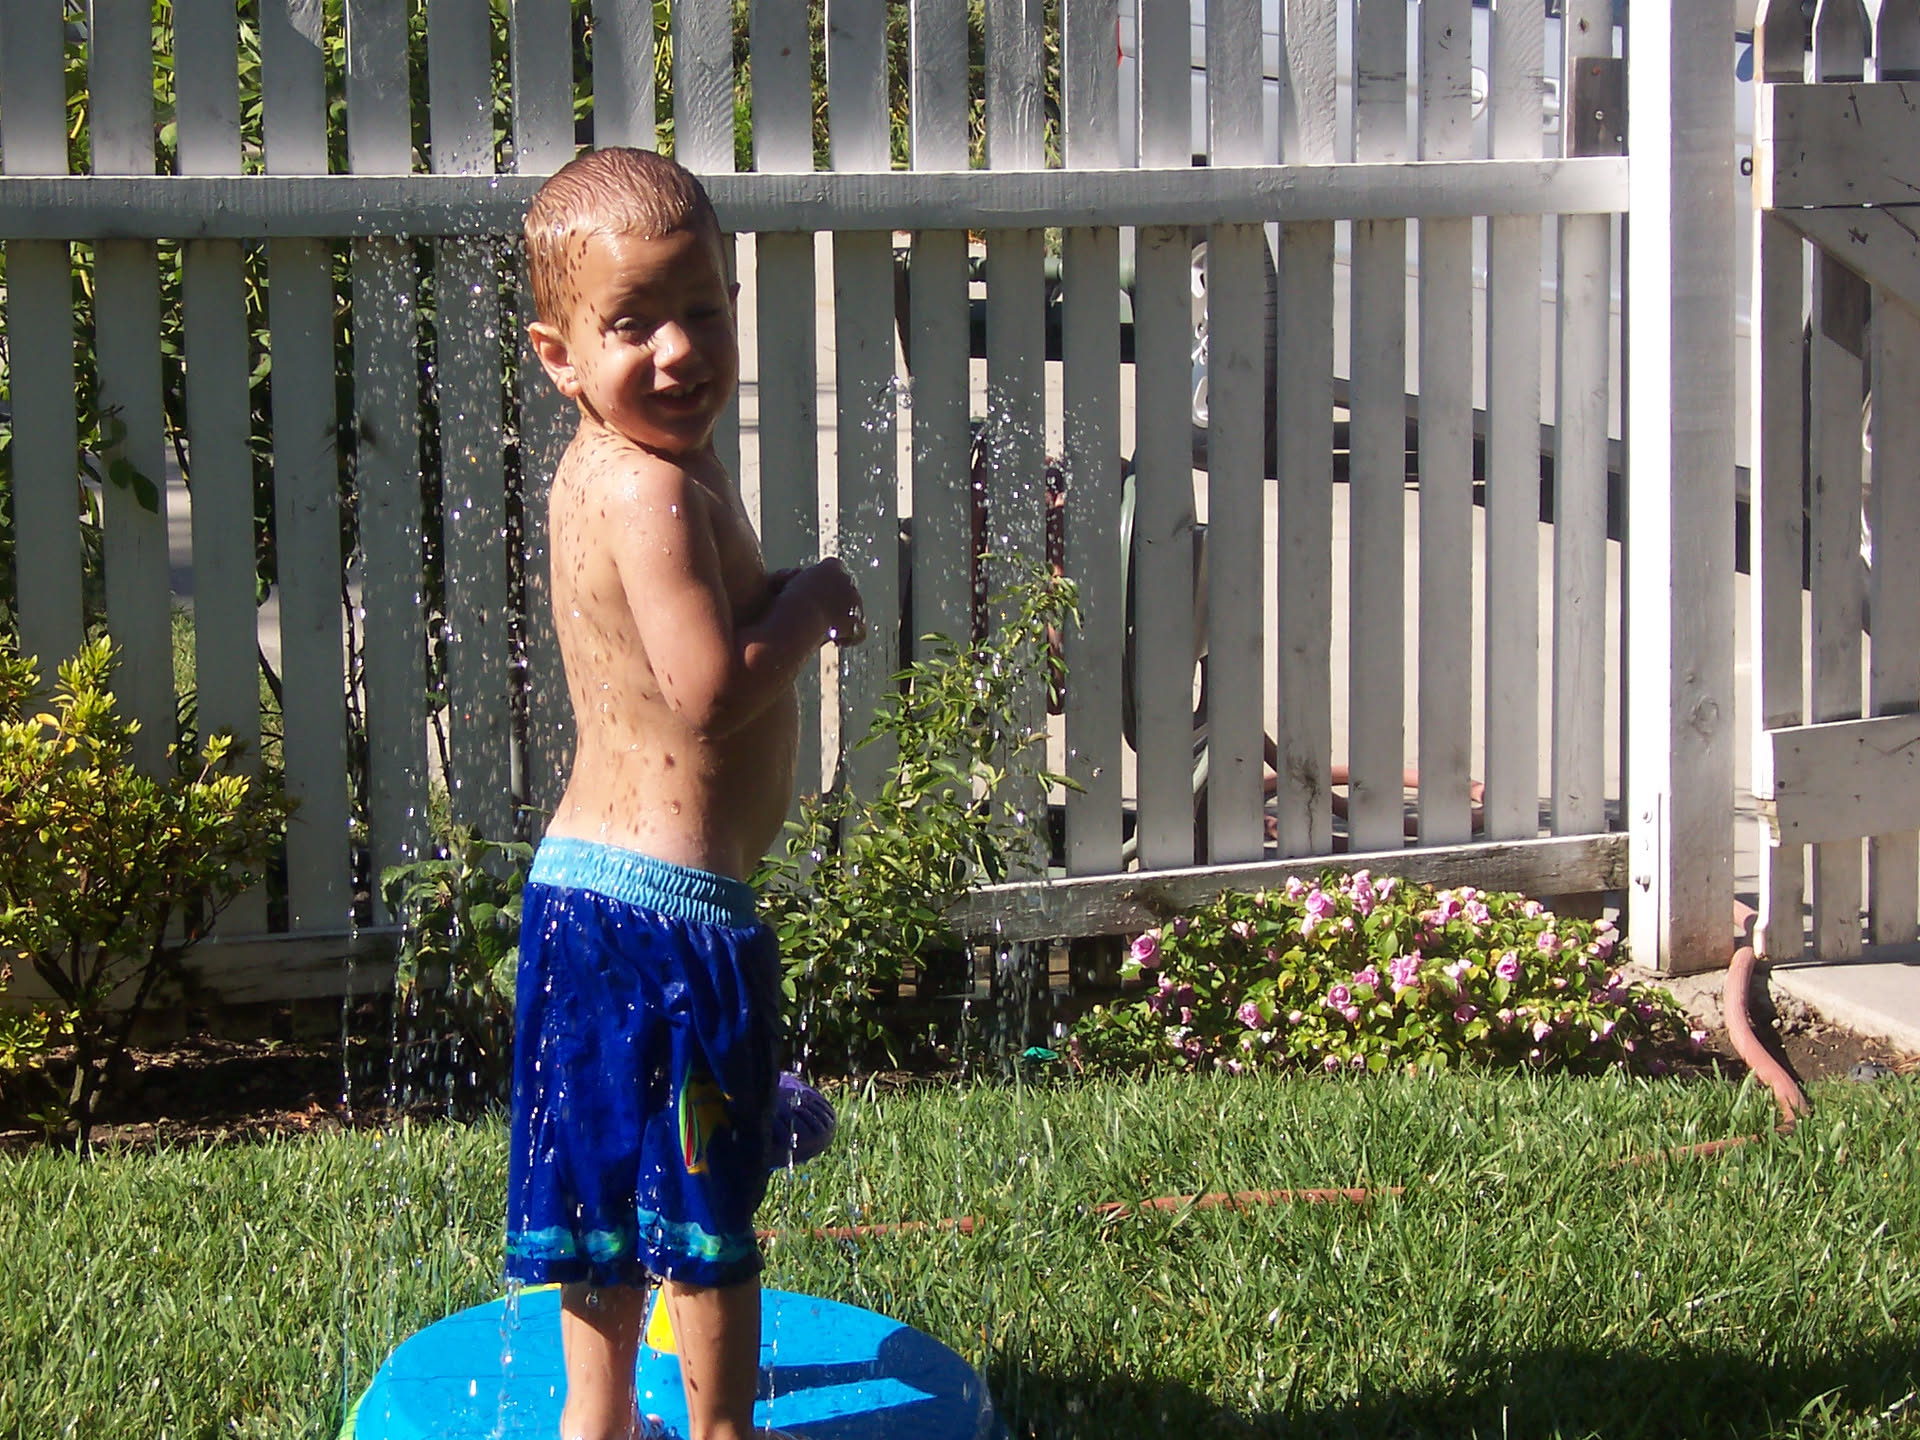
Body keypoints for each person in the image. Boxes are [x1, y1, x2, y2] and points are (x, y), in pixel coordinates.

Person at [507, 146, 866, 1440]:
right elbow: (709, 691)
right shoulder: (656, 488)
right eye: (633, 324)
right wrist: (812, 603)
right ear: (559, 356)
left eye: (702, 310)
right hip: (670, 920)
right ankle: (720, 1432)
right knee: (708, 1209)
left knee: (600, 1196)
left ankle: (595, 1422)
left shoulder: (604, 467)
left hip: (585, 899)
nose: (678, 351)